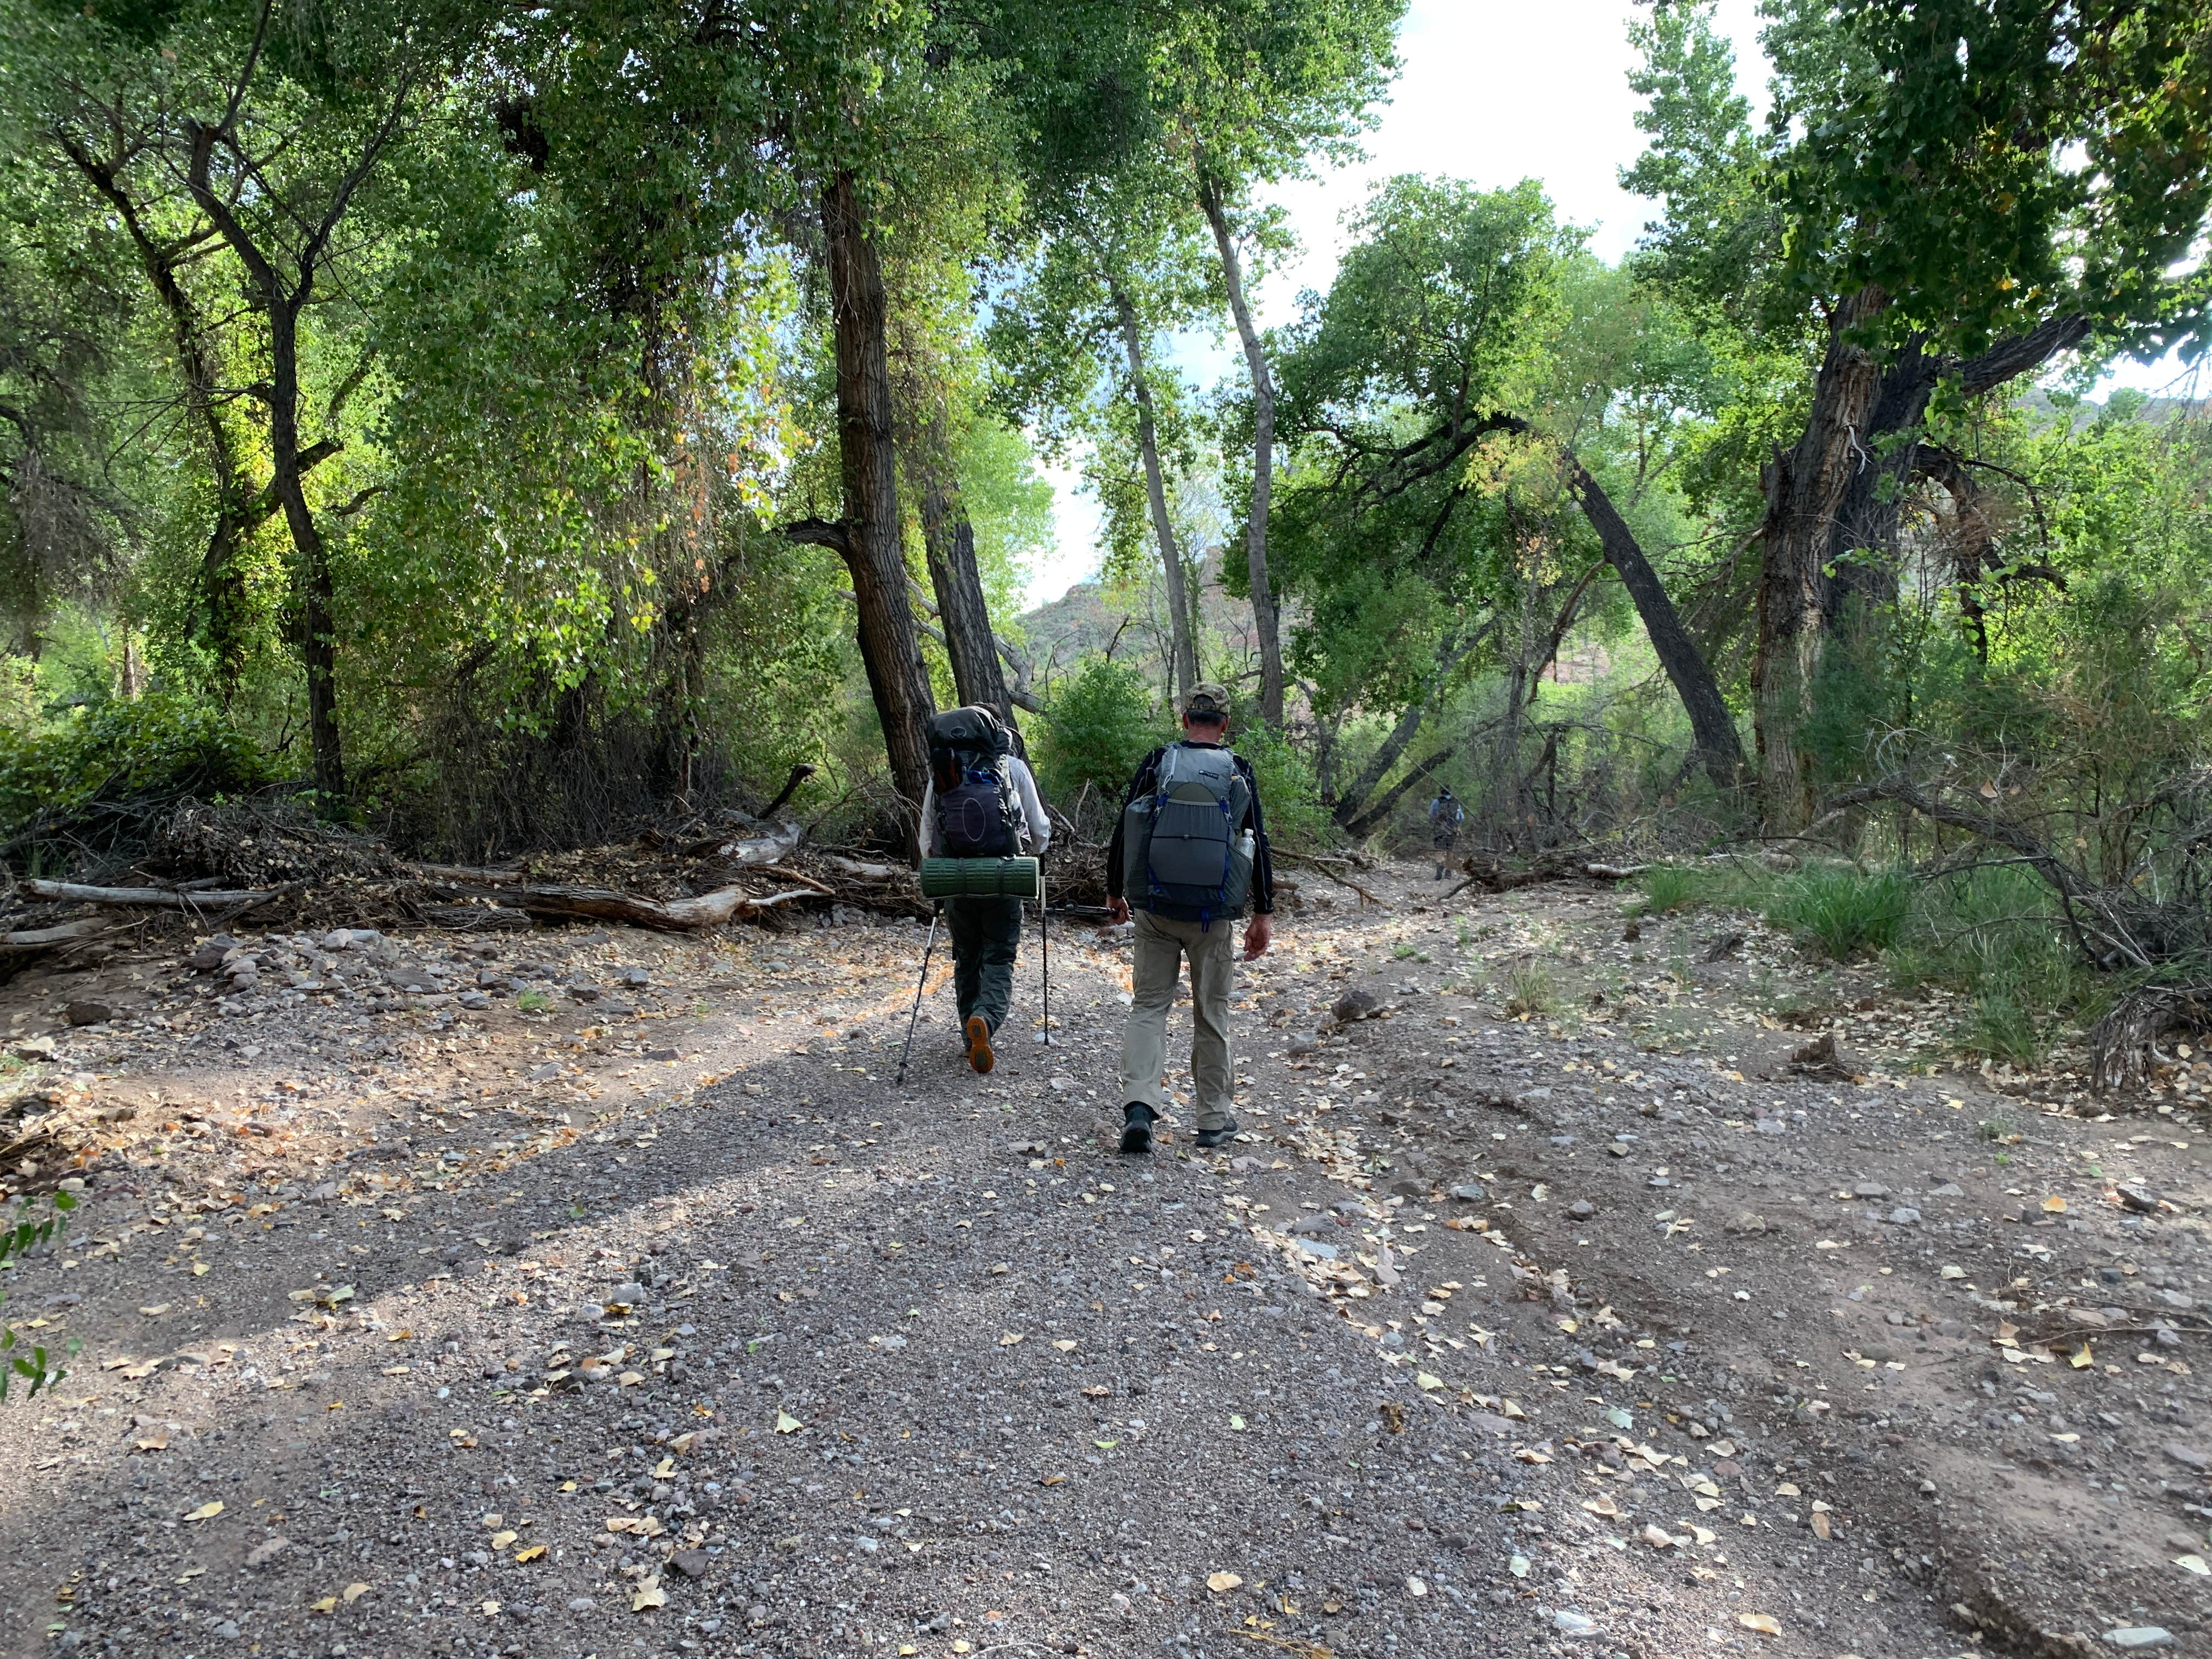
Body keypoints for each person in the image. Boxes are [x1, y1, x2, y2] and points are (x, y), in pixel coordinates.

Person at [1105, 683, 1275, 1155]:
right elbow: (1256, 840)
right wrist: (1263, 912)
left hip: (1156, 910)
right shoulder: (1238, 770)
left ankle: (1140, 1108)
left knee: (1148, 1007)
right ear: (1225, 724)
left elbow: (1125, 828)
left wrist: (1114, 891)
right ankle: (1213, 1121)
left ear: (1185, 720)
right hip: (1212, 916)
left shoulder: (1160, 761)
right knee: (1211, 1013)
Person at [917, 706, 1050, 1075]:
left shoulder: (943, 769)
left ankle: (969, 1035)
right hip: (1004, 875)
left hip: (956, 876)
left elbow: (928, 831)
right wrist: (1034, 855)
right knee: (999, 956)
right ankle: (986, 1020)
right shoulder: (1013, 768)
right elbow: (1039, 829)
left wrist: (939, 869)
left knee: (967, 956)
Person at [1427, 785, 1464, 881]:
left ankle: (1439, 867)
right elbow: (1461, 817)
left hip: (1439, 829)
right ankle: (1448, 872)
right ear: (1450, 792)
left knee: (1439, 850)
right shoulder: (1455, 803)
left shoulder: (1436, 802)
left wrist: (1434, 823)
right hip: (1452, 830)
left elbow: (1431, 816)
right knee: (1450, 851)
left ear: (1441, 792)